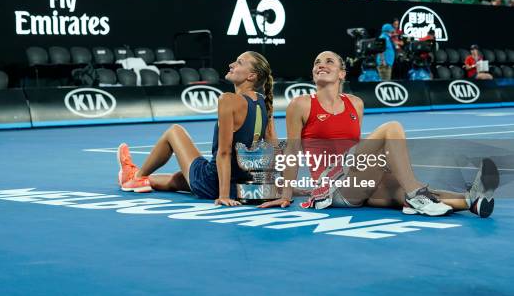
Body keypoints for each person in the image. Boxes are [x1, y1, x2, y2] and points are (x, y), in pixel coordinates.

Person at [259, 50, 499, 219]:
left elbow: (357, 147)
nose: (321, 64)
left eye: (329, 61)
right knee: (392, 128)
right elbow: (292, 150)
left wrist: (384, 165)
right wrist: (288, 193)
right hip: (331, 185)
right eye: (317, 62)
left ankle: (472, 201)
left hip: (356, 179)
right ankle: (417, 193)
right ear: (313, 73)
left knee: (399, 192)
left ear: (342, 73)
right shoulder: (300, 104)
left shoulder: (356, 103)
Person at [117, 52, 277, 207]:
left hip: (213, 182)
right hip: (240, 187)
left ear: (251, 76)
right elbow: (274, 150)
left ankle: (135, 176)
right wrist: (281, 188)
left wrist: (223, 196)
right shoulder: (264, 103)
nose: (231, 64)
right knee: (178, 179)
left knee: (175, 131)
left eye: (239, 62)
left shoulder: (229, 99)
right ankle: (141, 180)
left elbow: (224, 152)